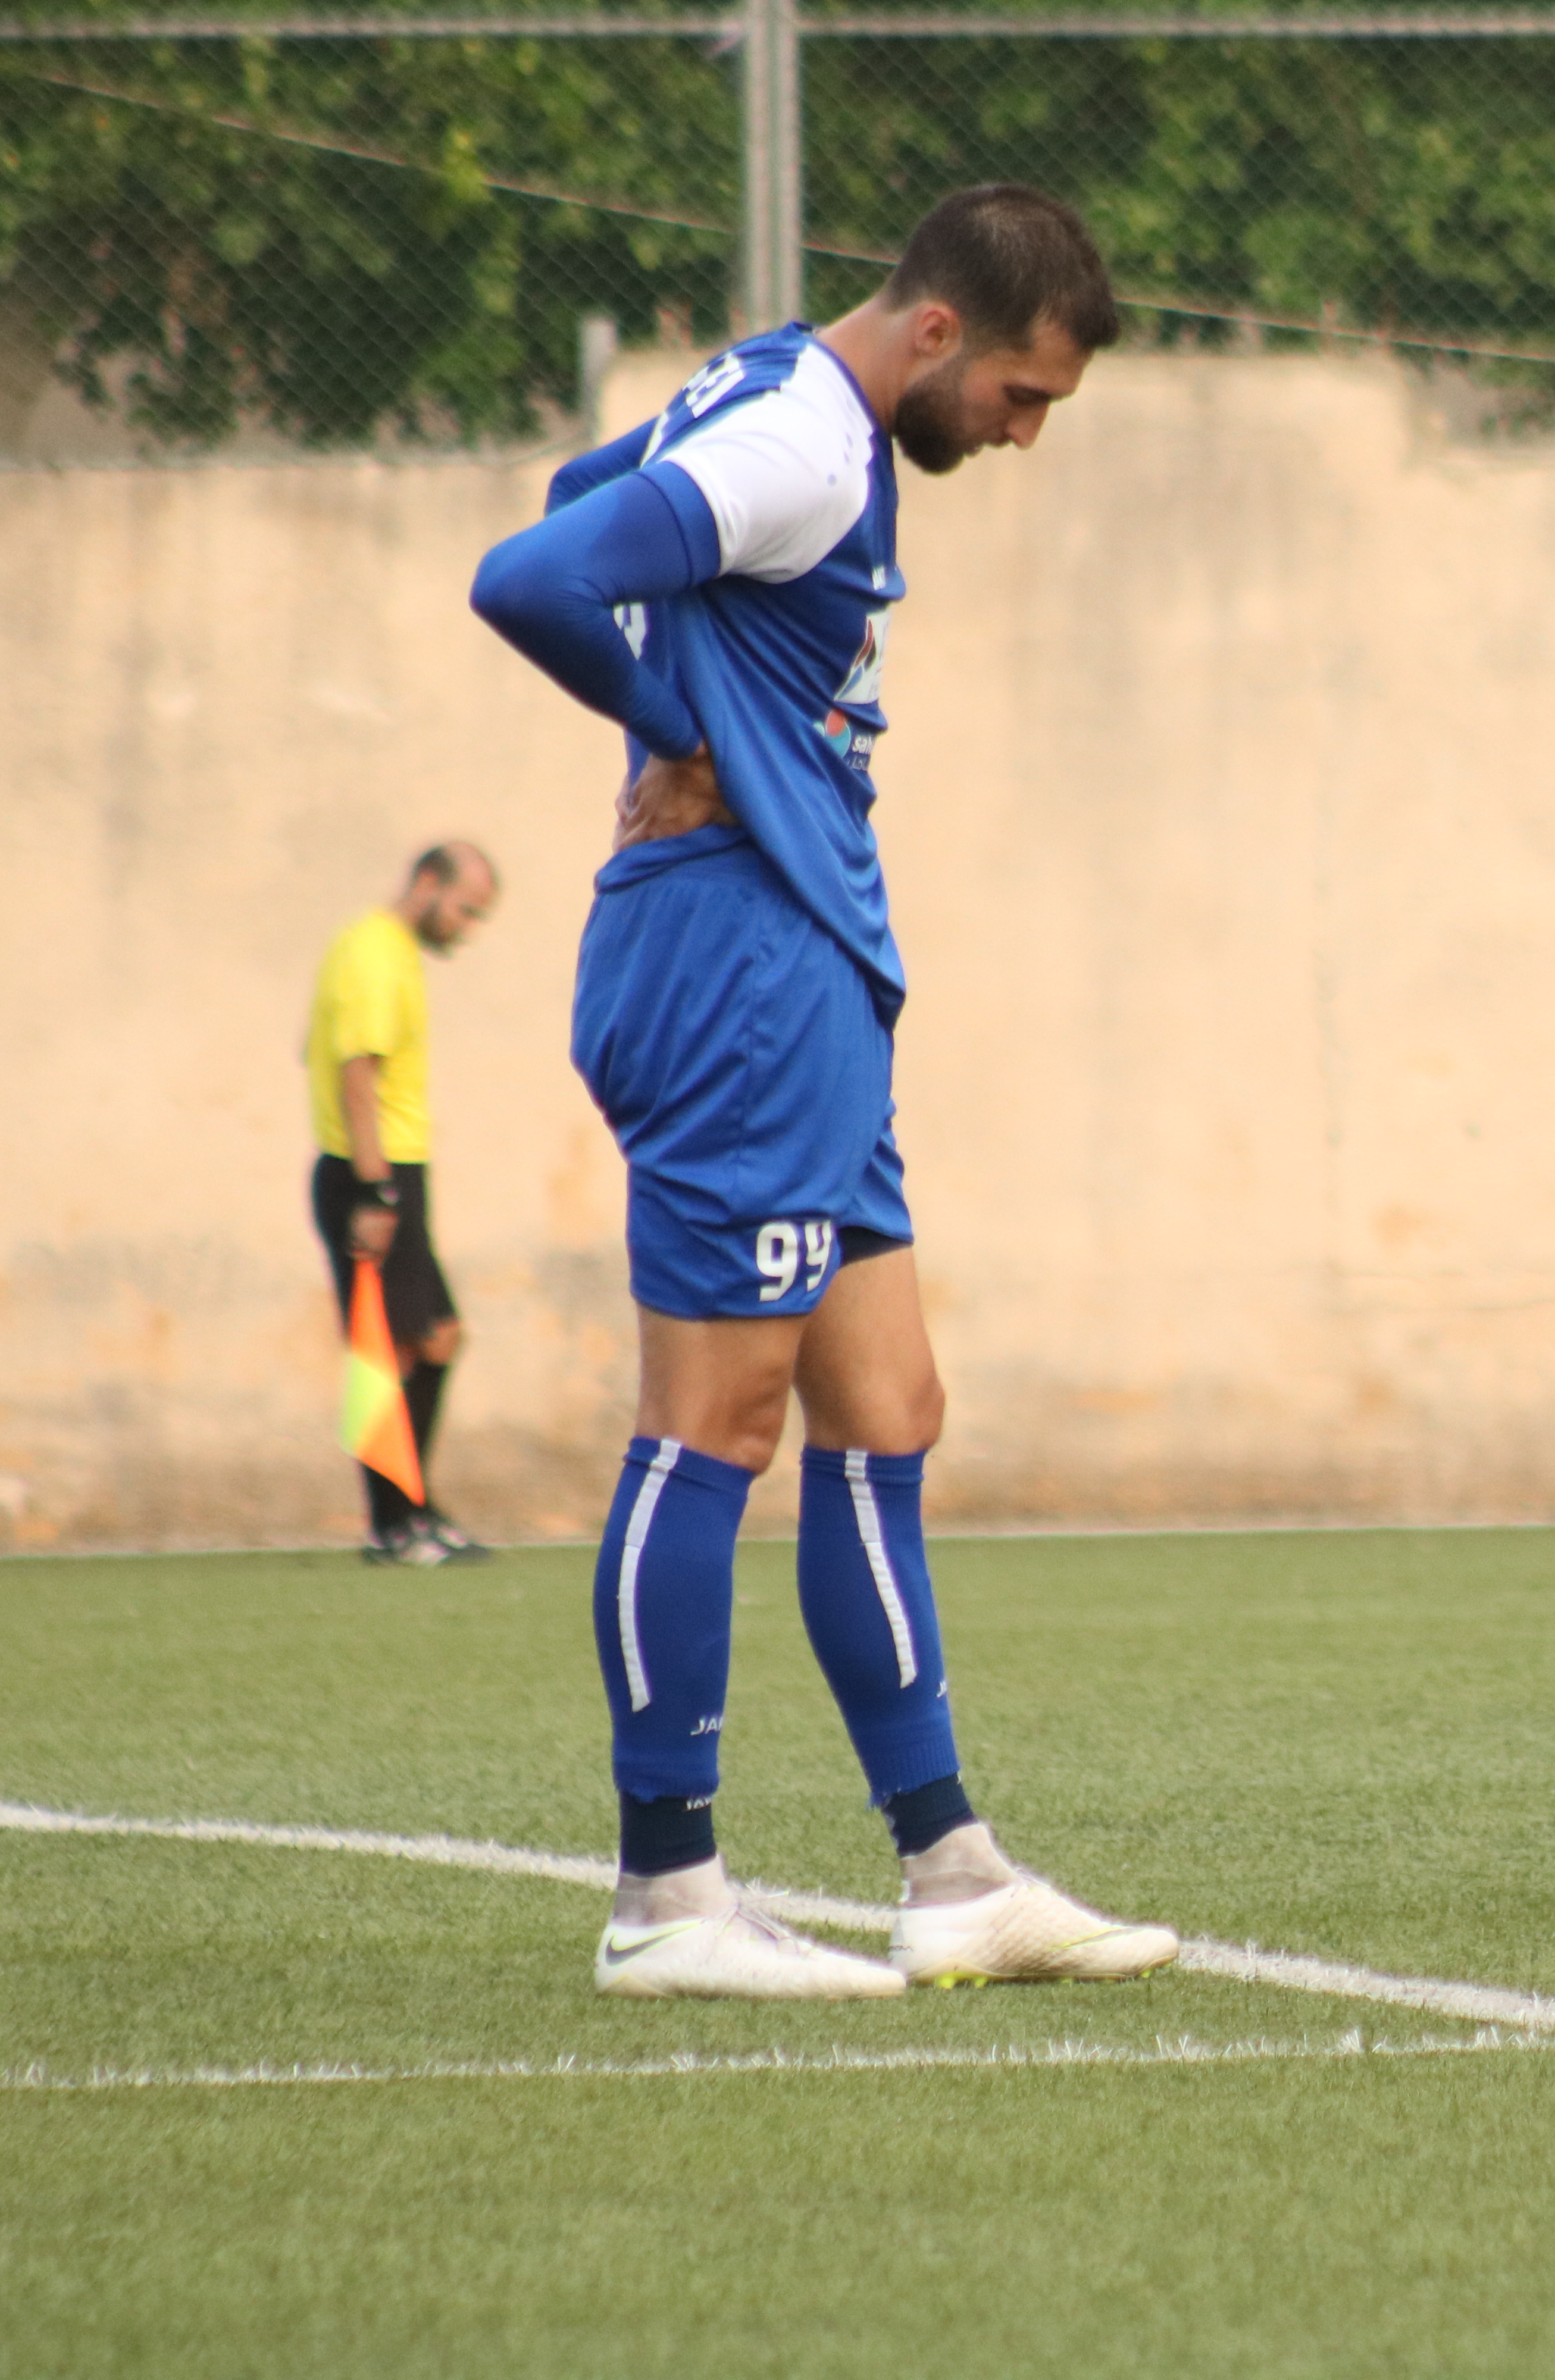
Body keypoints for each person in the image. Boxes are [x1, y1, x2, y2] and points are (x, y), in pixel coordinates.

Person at [468, 184, 1176, 2002]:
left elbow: (574, 499)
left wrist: (687, 705)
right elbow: (530, 573)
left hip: (807, 972)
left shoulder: (777, 388)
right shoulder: (802, 436)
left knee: (889, 1403)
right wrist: (676, 731)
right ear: (937, 334)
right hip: (729, 967)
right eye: (1022, 397)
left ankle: (951, 1870)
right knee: (715, 1417)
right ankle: (665, 1894)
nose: (1020, 438)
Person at [306, 843, 501, 1567]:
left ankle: (410, 1509)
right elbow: (357, 1073)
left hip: (391, 1171)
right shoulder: (373, 953)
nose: (468, 926)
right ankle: (393, 1524)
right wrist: (374, 1191)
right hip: (374, 1175)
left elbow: (316, 1051)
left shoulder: (382, 950)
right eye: (466, 909)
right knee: (396, 1349)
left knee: (430, 1338)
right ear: (427, 882)